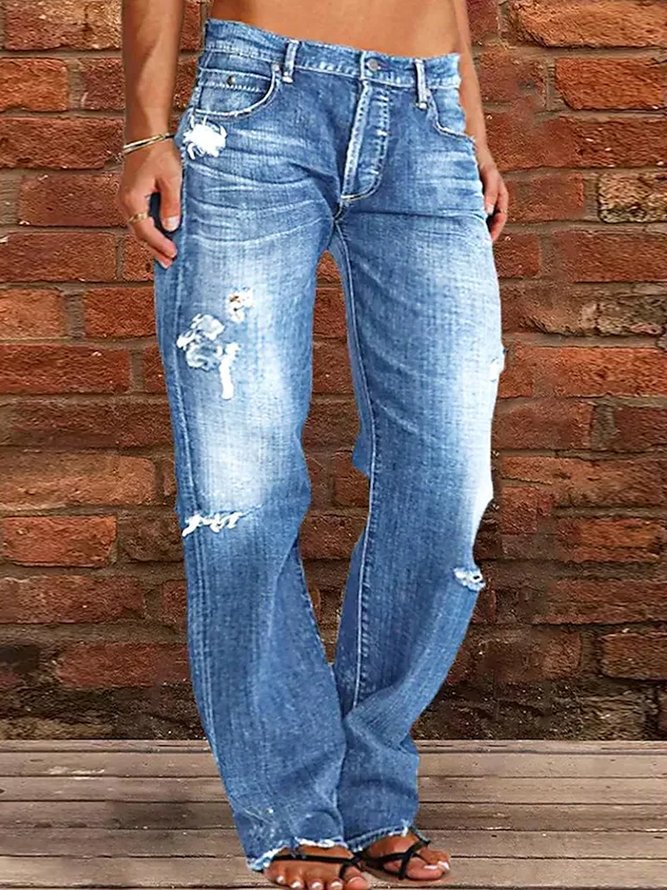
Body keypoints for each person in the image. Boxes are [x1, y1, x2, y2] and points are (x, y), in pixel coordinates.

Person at [118, 0, 509, 886]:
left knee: (447, 479)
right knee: (242, 493)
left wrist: (470, 130)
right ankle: (292, 807)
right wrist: (144, 134)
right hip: (258, 104)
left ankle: (371, 787)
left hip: (429, 115)